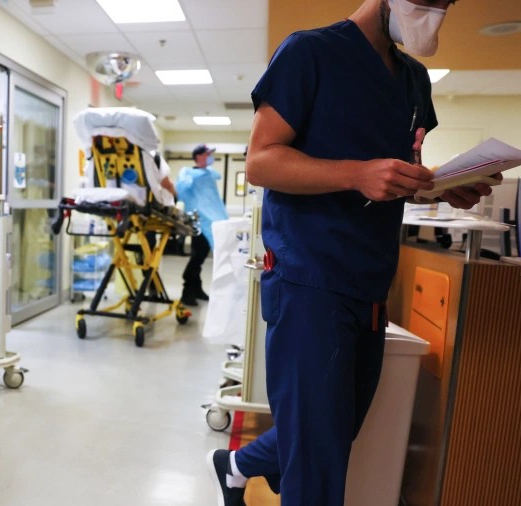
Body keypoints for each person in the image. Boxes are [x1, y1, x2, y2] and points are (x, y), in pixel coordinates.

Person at [206, 1, 498, 505]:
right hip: (308, 279)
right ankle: (242, 468)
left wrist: (439, 187)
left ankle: (236, 464)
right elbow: (261, 161)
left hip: (369, 281)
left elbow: (401, 171)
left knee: (333, 433)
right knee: (318, 472)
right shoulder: (310, 53)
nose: (437, 12)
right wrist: (355, 173)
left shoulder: (413, 79)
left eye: (446, 3)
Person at [176, 144, 228, 306]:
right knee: (197, 257)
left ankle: (197, 289)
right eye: (207, 154)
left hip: (213, 222)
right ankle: (187, 292)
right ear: (198, 156)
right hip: (199, 222)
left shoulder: (209, 174)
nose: (210, 156)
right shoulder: (188, 173)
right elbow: (181, 189)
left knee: (201, 257)